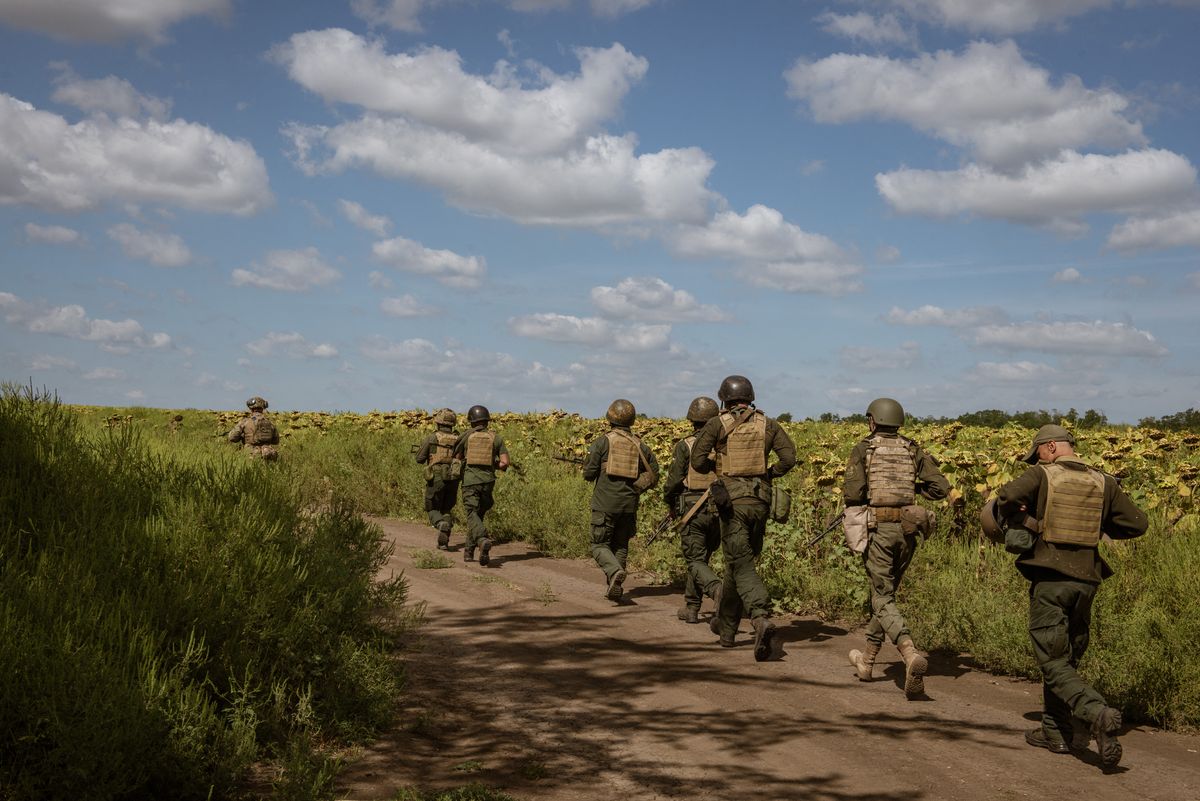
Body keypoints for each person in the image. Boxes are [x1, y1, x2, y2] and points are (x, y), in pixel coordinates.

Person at [991, 424, 1147, 767]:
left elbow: (1005, 497)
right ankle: (1056, 731)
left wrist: (1031, 522)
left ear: (1048, 449)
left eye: (1038, 454)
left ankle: (1095, 712)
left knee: (1051, 657)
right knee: (1067, 656)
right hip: (1087, 581)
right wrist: (1100, 523)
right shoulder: (1103, 480)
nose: (1038, 459)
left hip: (1051, 578)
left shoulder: (1042, 474)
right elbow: (1137, 524)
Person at [843, 397, 951, 698]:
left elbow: (853, 493)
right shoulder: (912, 448)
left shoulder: (865, 448)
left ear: (873, 421)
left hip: (879, 530)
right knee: (885, 595)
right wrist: (911, 488)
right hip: (908, 530)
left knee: (881, 597)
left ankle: (908, 652)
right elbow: (939, 488)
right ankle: (867, 661)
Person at [691, 375, 795, 661]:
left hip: (731, 503)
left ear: (724, 399)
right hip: (760, 501)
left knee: (741, 563)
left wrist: (717, 462)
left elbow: (697, 462)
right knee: (737, 563)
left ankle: (760, 616)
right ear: (750, 397)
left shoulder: (717, 424)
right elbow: (789, 458)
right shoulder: (768, 424)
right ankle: (726, 632)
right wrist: (768, 474)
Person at [583, 399, 660, 603]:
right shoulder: (640, 445)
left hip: (605, 504)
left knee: (599, 545)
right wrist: (635, 486)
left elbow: (589, 474)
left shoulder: (602, 442)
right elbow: (654, 473)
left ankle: (615, 571)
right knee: (620, 545)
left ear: (610, 418)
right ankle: (614, 584)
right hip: (629, 506)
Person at [663, 396, 722, 623]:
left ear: (691, 420)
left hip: (693, 509)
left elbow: (674, 481)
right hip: (719, 507)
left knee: (695, 560)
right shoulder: (724, 446)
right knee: (701, 559)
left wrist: (669, 502)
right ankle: (692, 607)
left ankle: (717, 589)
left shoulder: (686, 445)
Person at [452, 405, 509, 565]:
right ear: (487, 421)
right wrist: (492, 464)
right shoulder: (496, 438)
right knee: (478, 515)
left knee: (472, 514)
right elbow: (505, 463)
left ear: (471, 421)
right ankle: (469, 552)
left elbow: (457, 457)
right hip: (488, 482)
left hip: (470, 482)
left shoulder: (465, 436)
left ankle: (482, 539)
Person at [415, 408, 463, 550]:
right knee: (447, 508)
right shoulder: (459, 439)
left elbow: (419, 459)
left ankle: (440, 524)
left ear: (438, 423)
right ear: (452, 423)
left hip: (436, 477)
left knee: (432, 508)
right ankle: (444, 541)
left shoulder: (432, 438)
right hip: (454, 477)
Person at [226, 396, 279, 460]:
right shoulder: (270, 423)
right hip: (268, 454)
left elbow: (232, 438)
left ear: (251, 409)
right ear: (263, 408)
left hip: (251, 455)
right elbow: (276, 441)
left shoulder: (245, 422)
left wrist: (243, 436)